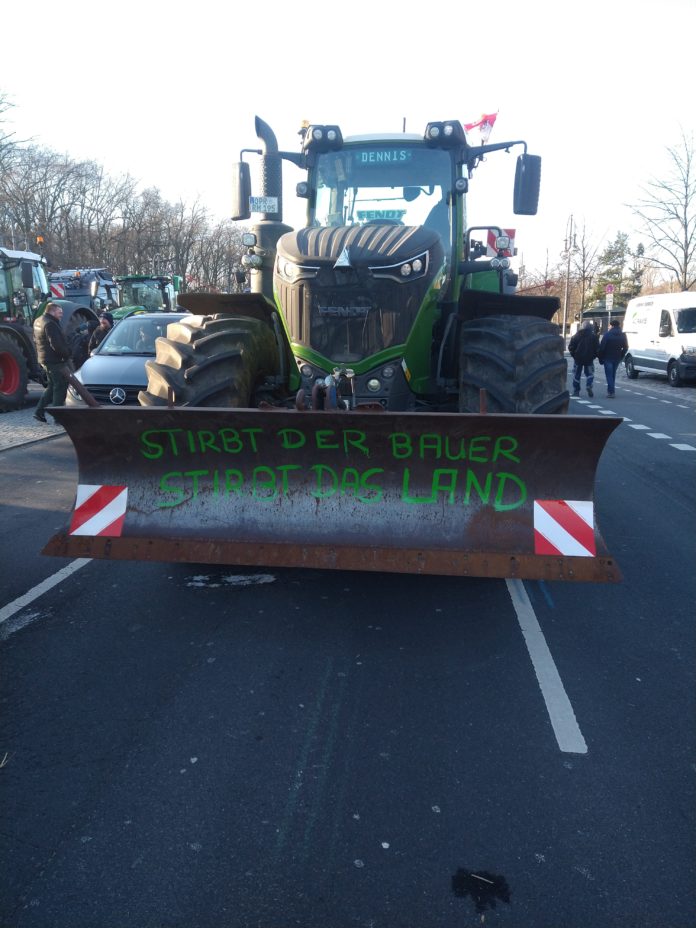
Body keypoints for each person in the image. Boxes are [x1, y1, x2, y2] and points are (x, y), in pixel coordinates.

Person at [33, 302, 72, 423]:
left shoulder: (38, 321)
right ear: (53, 311)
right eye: (60, 313)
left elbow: (36, 339)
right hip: (55, 361)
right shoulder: (51, 324)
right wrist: (67, 354)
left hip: (45, 359)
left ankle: (39, 412)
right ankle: (58, 417)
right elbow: (56, 344)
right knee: (60, 387)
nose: (61, 315)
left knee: (51, 386)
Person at [568, 320, 600, 397]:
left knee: (576, 374)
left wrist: (574, 355)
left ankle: (576, 390)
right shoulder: (594, 337)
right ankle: (589, 385)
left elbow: (571, 347)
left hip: (578, 358)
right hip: (589, 358)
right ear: (590, 328)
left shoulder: (576, 336)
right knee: (590, 374)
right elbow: (598, 348)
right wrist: (594, 356)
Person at [598, 319, 629, 398]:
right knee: (613, 374)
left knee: (609, 375)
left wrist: (600, 358)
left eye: (609, 325)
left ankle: (611, 392)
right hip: (617, 357)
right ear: (619, 326)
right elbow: (625, 347)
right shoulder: (623, 335)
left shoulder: (607, 335)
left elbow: (602, 348)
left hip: (607, 357)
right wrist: (621, 355)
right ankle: (611, 391)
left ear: (611, 326)